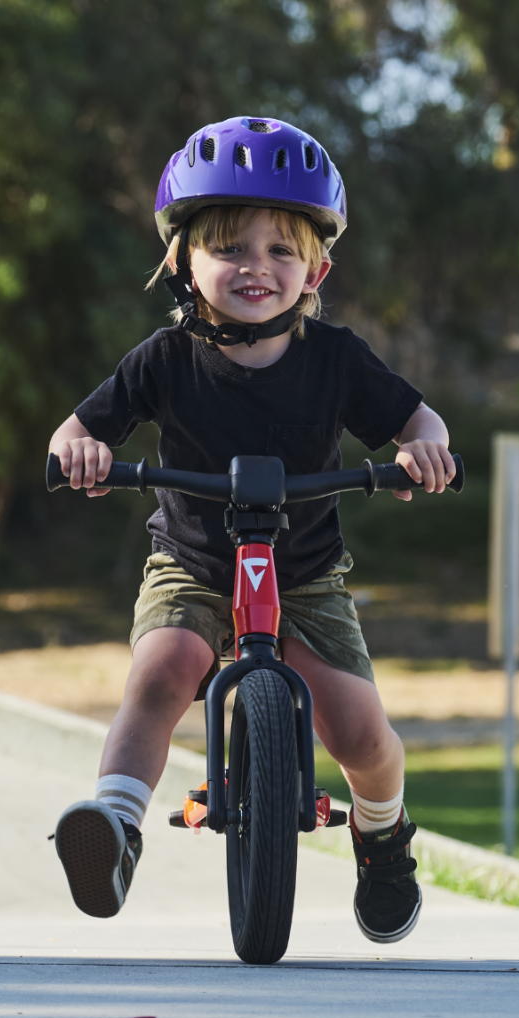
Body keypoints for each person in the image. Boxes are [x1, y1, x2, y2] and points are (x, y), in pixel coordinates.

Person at [48, 117, 455, 944]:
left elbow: (420, 421)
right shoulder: (162, 360)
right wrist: (84, 453)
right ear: (182, 262)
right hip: (192, 564)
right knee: (161, 673)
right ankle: (116, 826)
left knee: (362, 734)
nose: (256, 268)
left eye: (281, 250)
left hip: (303, 575)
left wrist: (424, 451)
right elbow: (72, 433)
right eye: (230, 247)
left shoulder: (337, 359)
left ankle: (383, 839)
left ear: (317, 268)